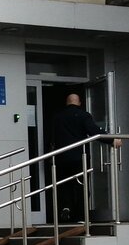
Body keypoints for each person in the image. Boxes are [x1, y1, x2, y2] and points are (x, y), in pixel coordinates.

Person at [51, 93, 122, 223]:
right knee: (81, 186)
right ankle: (80, 216)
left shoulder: (58, 117)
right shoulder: (83, 115)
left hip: (62, 157)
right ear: (79, 103)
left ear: (67, 102)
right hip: (79, 157)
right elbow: (94, 131)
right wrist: (111, 139)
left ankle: (66, 207)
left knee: (64, 184)